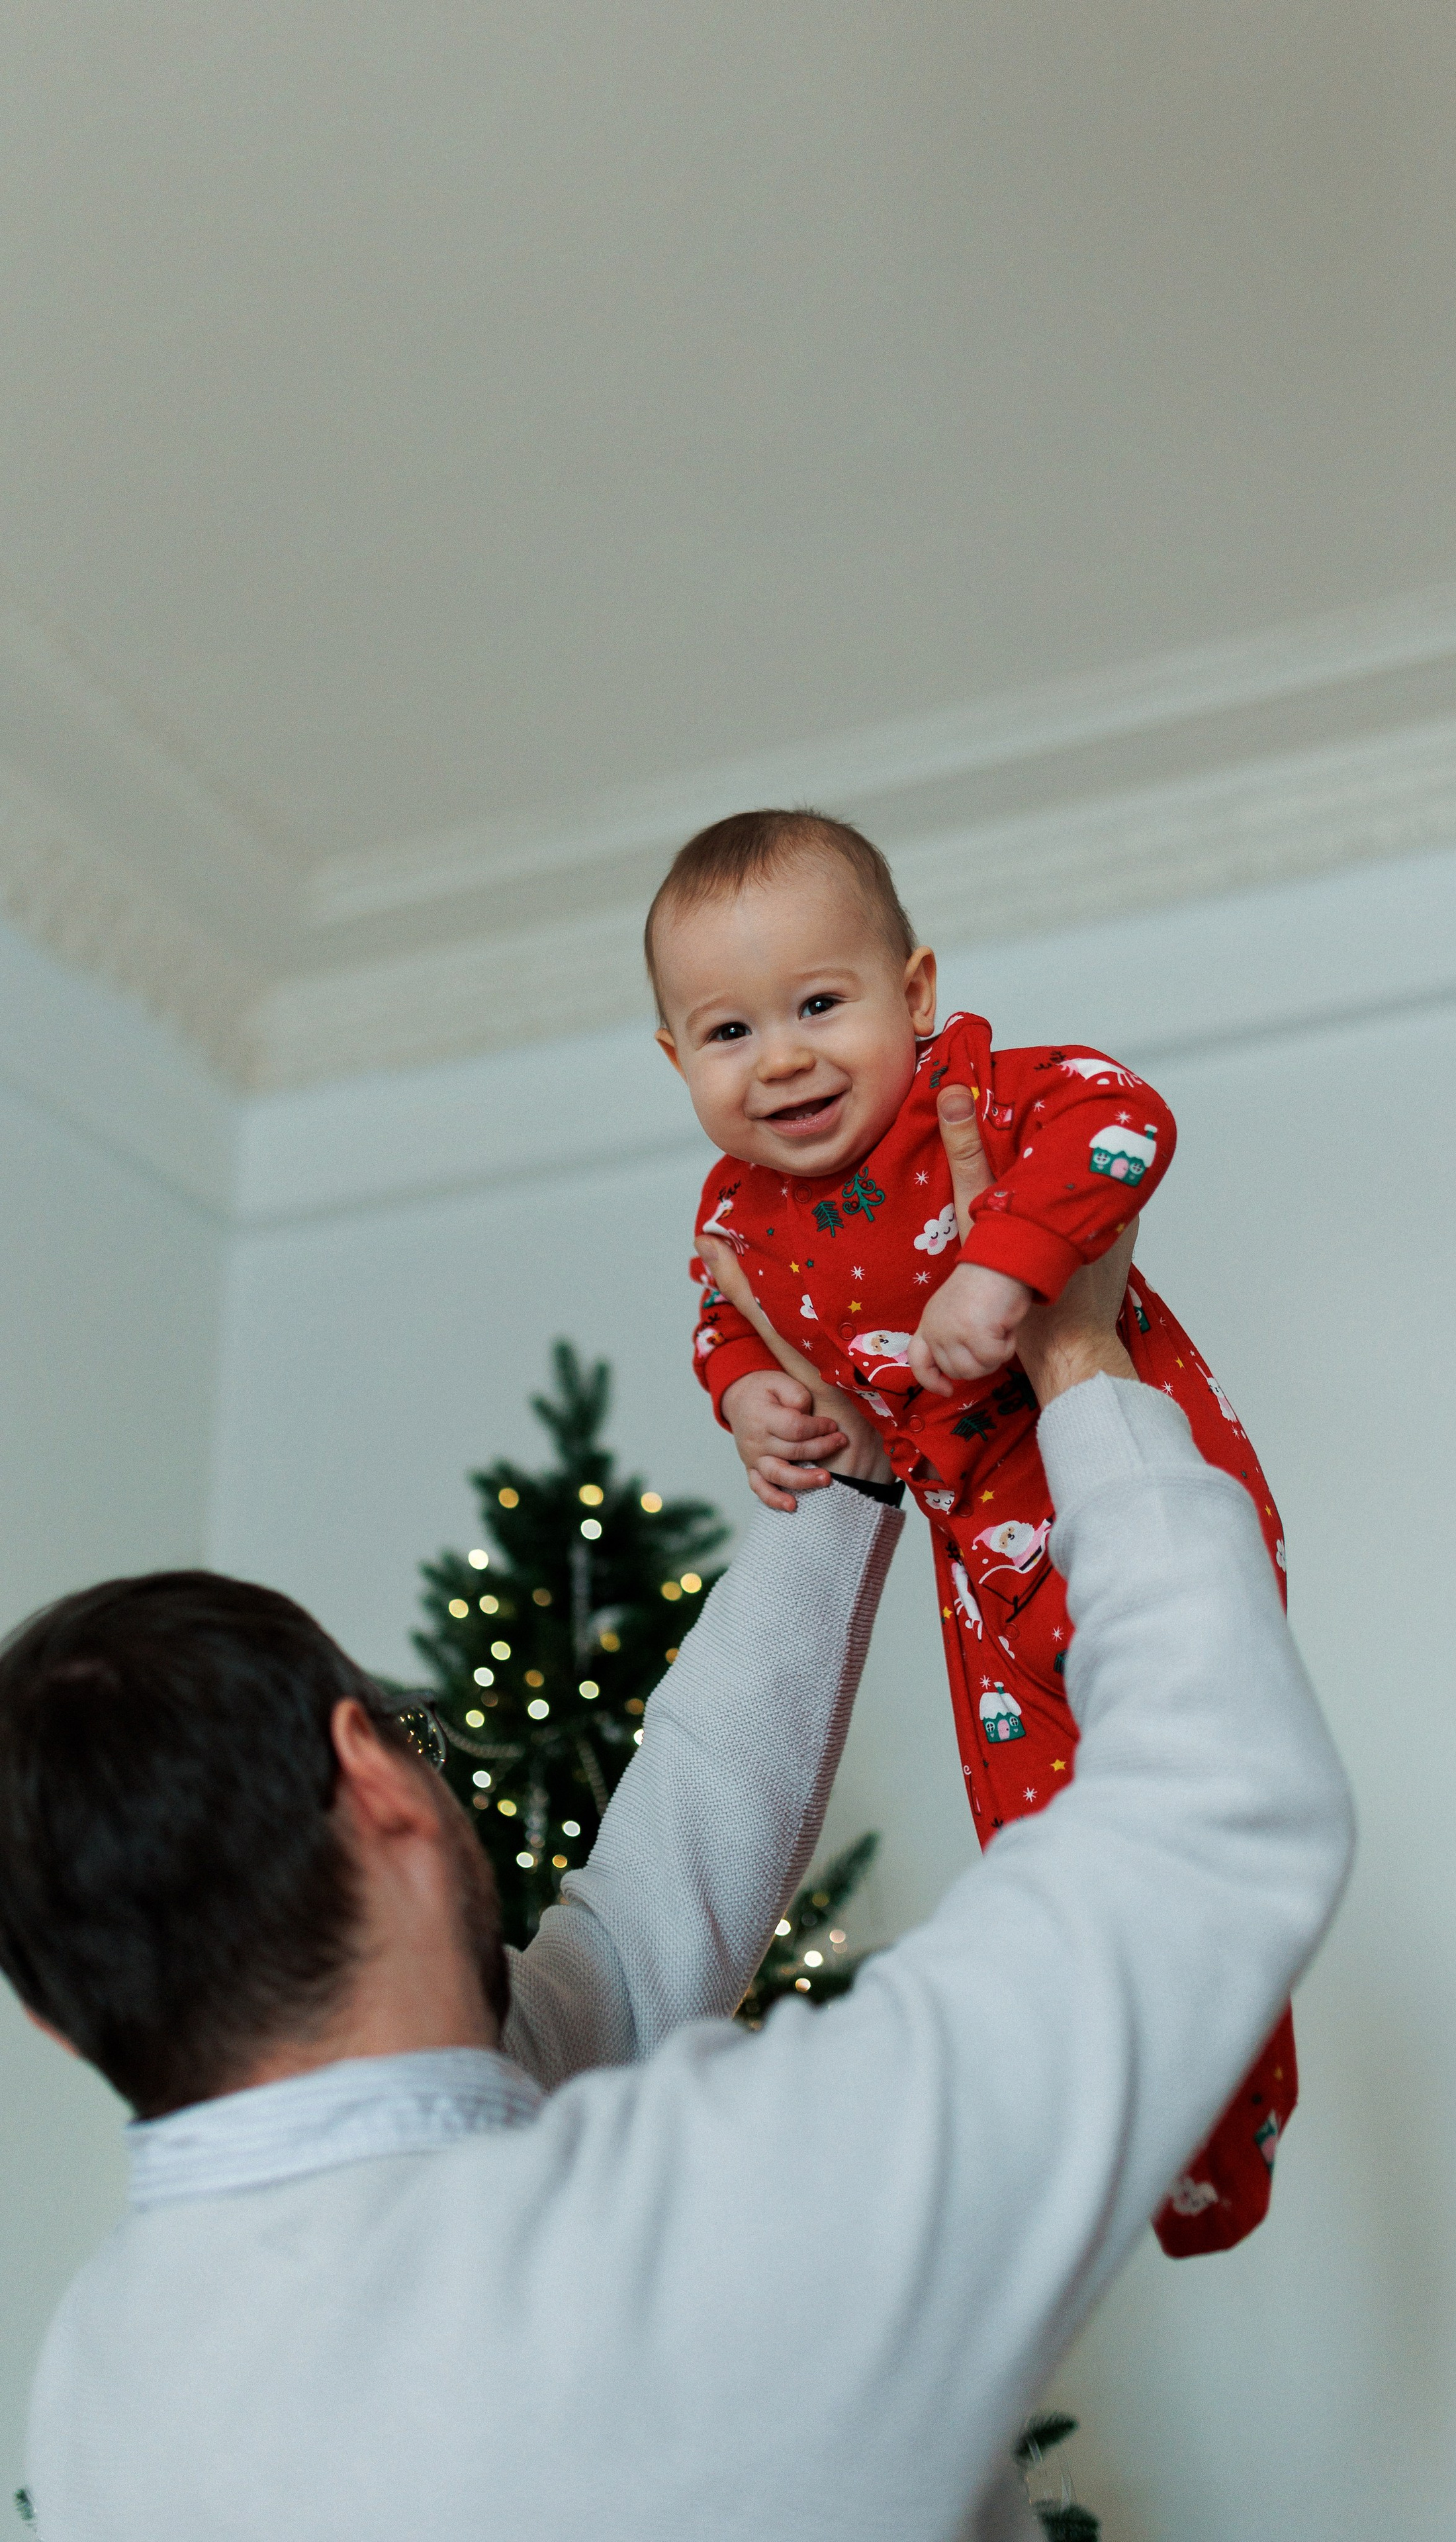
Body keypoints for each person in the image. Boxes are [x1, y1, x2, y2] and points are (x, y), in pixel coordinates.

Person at [2, 1106, 1353, 2542]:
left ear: (61, 2022)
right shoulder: (722, 2217)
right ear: (379, 1782)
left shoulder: (96, 2385)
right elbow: (1213, 1809)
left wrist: (854, 1467)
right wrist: (1079, 1362)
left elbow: (640, 1934)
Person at [651, 805, 1297, 2255]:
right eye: (728, 1032)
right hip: (971, 1562)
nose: (785, 1058)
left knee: (1184, 1787)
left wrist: (1009, 1261)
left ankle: (1228, 2136)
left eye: (821, 1004)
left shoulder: (986, 1095)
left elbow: (1125, 1117)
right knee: (1040, 1851)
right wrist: (750, 1395)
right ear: (675, 1063)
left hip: (1124, 1496)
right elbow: (717, 1316)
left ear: (916, 995)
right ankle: (1141, 2149)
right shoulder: (736, 1209)